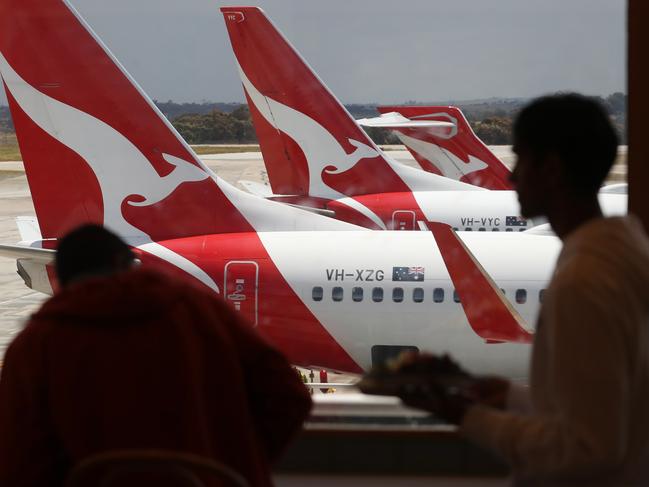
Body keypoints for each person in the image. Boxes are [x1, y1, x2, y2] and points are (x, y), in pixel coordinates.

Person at [397, 94, 649, 485]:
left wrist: (465, 416)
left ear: (550, 169)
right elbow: (603, 409)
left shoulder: (584, 281)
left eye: (521, 160)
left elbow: (589, 449)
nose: (512, 178)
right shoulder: (624, 248)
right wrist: (501, 396)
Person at [0, 224, 312, 487]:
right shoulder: (200, 311)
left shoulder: (35, 346)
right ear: (126, 264)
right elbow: (288, 398)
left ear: (64, 282)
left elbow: (19, 458)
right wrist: (241, 465)